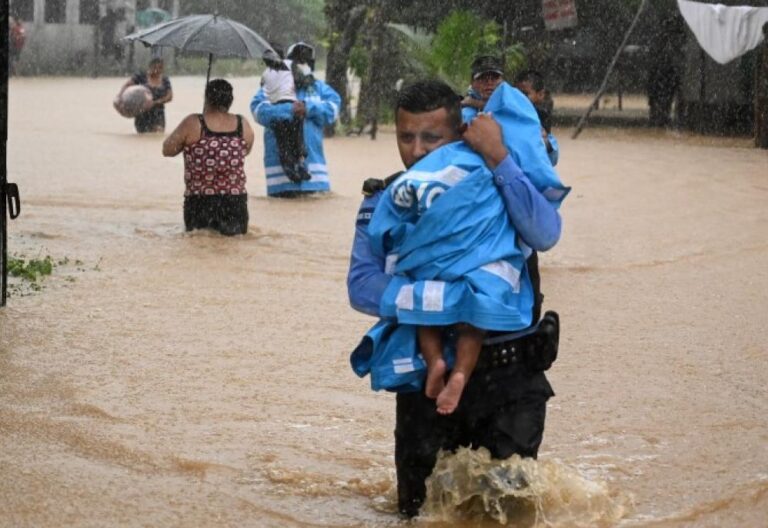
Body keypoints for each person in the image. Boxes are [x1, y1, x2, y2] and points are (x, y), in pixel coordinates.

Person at [347, 80, 566, 517]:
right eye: (406, 137)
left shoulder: (498, 182)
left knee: (510, 511)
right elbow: (362, 284)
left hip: (509, 378)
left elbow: (545, 233)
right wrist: (448, 299)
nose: (417, 151)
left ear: (460, 134)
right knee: (419, 511)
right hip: (425, 384)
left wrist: (500, 157)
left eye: (432, 137)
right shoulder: (389, 200)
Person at [161, 79, 255, 236]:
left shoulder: (193, 122)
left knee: (200, 247)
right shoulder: (242, 124)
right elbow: (246, 151)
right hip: (235, 203)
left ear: (207, 98)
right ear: (230, 100)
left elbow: (167, 149)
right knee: (235, 250)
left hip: (200, 202)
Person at [250, 42, 341, 197]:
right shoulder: (271, 86)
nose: (302, 65)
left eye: (306, 61)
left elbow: (333, 109)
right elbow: (258, 110)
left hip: (315, 178)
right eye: (298, 60)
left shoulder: (319, 88)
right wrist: (289, 110)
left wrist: (308, 108)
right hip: (280, 178)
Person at [462, 56, 559, 166]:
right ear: (472, 83)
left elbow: (552, 158)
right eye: (482, 78)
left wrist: (545, 144)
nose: (489, 82)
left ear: (503, 81)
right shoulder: (465, 116)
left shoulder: (521, 108)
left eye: (494, 77)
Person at [261, 47, 310, 183]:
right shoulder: (289, 65)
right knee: (298, 139)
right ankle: (301, 164)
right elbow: (302, 81)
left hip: (276, 111)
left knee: (283, 143)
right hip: (292, 108)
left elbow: (263, 89)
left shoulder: (265, 74)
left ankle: (288, 168)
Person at [514, 69, 560, 166]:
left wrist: (545, 142)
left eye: (525, 94)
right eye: (516, 93)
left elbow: (552, 159)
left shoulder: (540, 116)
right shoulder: (509, 113)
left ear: (540, 94)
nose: (520, 97)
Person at [117, 58, 173, 133]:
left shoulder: (165, 79)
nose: (158, 70)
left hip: (158, 113)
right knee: (142, 136)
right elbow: (127, 85)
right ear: (150, 67)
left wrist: (155, 102)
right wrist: (120, 97)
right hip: (141, 113)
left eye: (160, 68)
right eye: (155, 68)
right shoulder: (141, 76)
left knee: (157, 135)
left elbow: (169, 96)